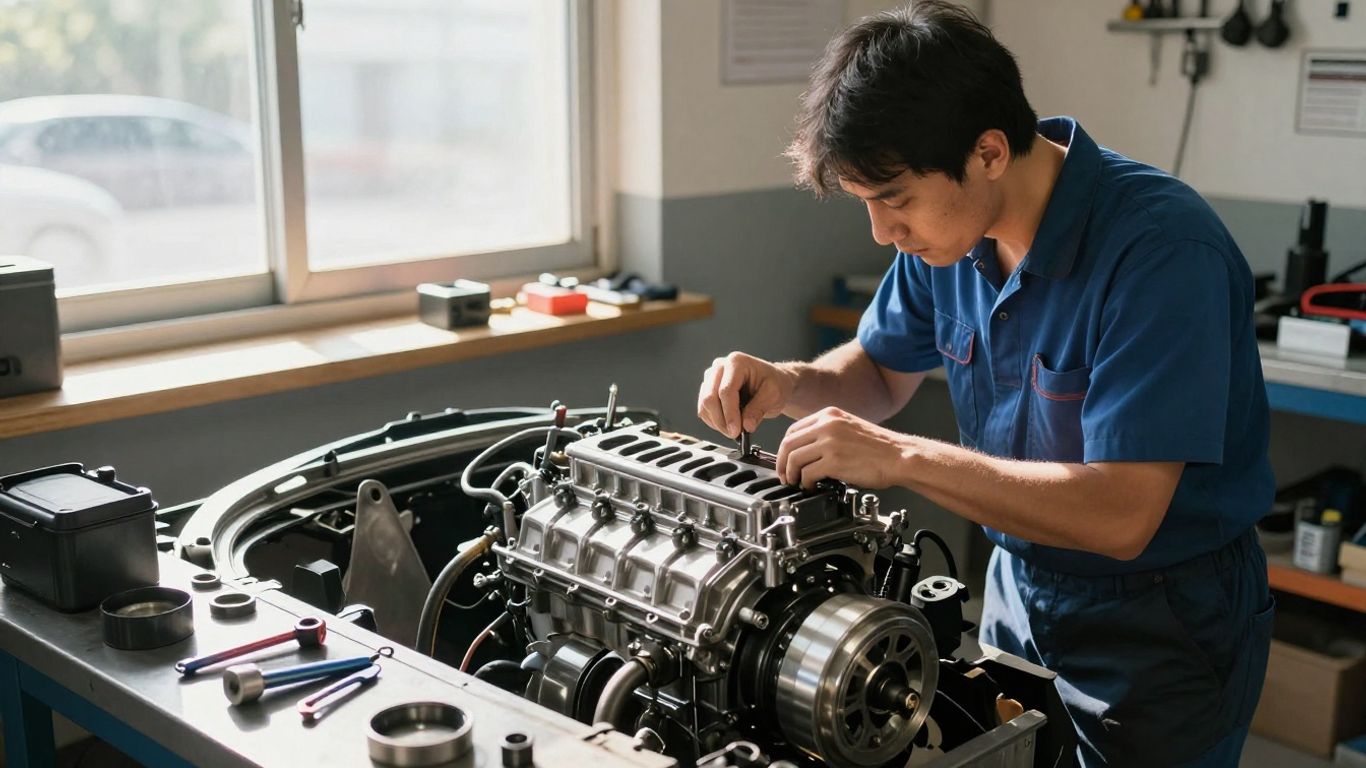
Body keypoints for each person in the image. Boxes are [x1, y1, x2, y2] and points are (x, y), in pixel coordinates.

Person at [695, 3, 1275, 766]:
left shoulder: (1162, 253)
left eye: (893, 198)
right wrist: (789, 382)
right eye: (867, 203)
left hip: (1161, 624)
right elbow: (875, 371)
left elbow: (1121, 514)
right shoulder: (949, 237)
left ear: (991, 152)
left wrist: (901, 458)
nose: (882, 231)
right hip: (1017, 592)